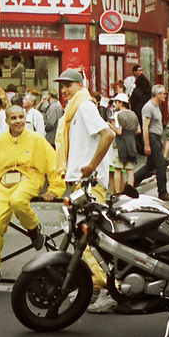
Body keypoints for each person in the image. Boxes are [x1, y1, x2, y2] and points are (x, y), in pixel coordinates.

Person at [0, 104, 66, 296]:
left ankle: (34, 229)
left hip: (29, 178)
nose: (18, 121)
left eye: (21, 117)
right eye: (14, 118)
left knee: (18, 201)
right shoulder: (0, 141)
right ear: (7, 121)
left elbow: (53, 164)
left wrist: (54, 189)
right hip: (3, 182)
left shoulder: (36, 139)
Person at [54, 68, 115, 312]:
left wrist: (91, 166)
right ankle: (95, 286)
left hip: (88, 183)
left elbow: (108, 135)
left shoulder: (84, 107)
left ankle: (107, 288)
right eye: (62, 85)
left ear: (80, 85)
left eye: (69, 84)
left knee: (83, 237)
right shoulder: (74, 109)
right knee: (84, 237)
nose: (64, 89)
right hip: (81, 181)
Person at [134, 85, 169, 202]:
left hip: (155, 138)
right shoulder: (148, 107)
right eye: (163, 93)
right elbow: (145, 126)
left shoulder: (156, 106)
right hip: (151, 138)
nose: (165, 95)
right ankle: (163, 192)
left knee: (150, 165)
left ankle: (131, 184)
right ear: (157, 94)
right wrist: (146, 144)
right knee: (161, 164)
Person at [109, 92, 140, 194]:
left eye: (116, 102)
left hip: (120, 144)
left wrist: (110, 125)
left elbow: (119, 131)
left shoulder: (118, 115)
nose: (115, 104)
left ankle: (118, 192)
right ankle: (130, 192)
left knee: (118, 169)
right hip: (131, 143)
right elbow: (138, 130)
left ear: (120, 103)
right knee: (130, 170)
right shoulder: (133, 114)